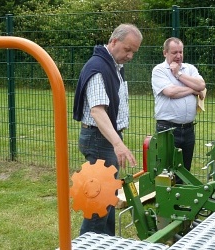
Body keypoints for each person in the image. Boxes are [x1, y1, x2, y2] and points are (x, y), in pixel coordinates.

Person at [73, 23, 142, 236]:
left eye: (134, 51)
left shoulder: (111, 66)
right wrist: (117, 143)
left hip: (103, 139)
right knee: (98, 206)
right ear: (113, 42)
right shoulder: (98, 68)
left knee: (107, 200)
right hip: (98, 139)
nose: (130, 55)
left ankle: (106, 243)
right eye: (127, 49)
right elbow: (97, 112)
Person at [151, 37, 206, 183]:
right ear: (165, 53)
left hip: (188, 129)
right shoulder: (159, 70)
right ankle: (167, 202)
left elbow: (201, 85)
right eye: (174, 52)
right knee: (167, 170)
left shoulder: (189, 69)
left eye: (181, 52)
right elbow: (171, 92)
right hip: (168, 129)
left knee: (184, 170)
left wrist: (179, 75)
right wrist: (192, 89)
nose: (178, 56)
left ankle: (182, 201)